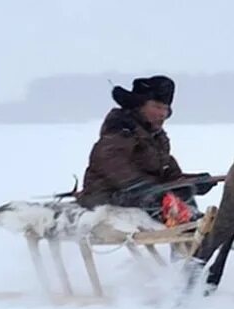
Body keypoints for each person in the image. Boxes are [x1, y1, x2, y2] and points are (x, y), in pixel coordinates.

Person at [75, 75, 219, 223]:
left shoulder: (155, 138)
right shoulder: (121, 130)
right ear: (139, 106)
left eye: (165, 108)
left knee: (183, 191)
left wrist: (193, 181)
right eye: (157, 107)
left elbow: (170, 176)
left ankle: (194, 223)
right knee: (156, 198)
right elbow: (109, 162)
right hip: (108, 194)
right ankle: (189, 223)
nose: (162, 114)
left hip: (144, 192)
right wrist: (144, 186)